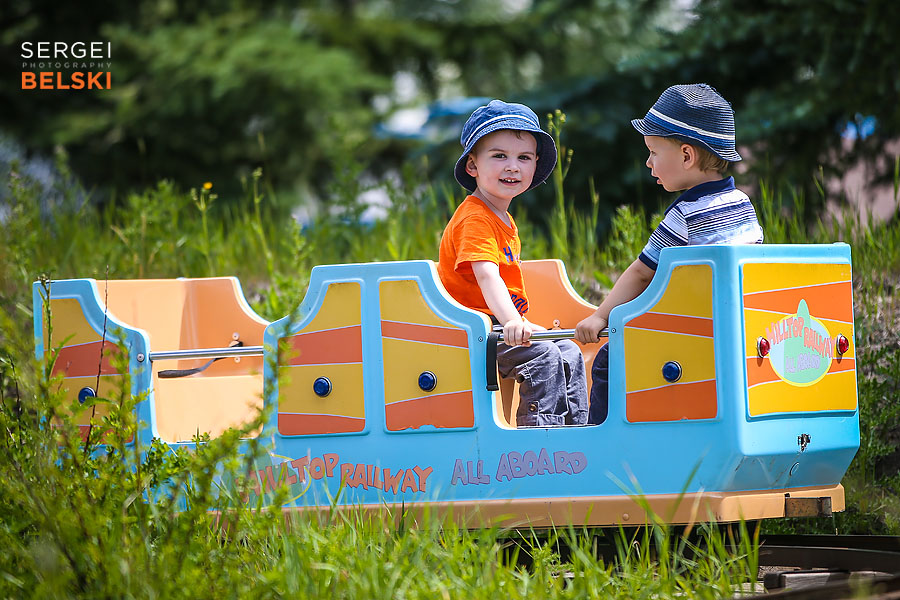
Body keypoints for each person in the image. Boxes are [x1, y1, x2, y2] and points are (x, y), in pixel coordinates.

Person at [575, 83, 764, 424]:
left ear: (687, 156)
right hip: (732, 326)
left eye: (653, 152)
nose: (648, 163)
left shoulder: (687, 212)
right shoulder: (742, 204)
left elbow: (642, 272)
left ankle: (600, 442)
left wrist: (601, 316)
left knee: (609, 360)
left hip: (689, 330)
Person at [437, 99, 588, 426]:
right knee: (544, 355)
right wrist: (512, 323)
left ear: (535, 165)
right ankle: (543, 442)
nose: (512, 166)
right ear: (473, 166)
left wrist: (517, 322)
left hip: (497, 325)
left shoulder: (501, 216)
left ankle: (579, 433)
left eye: (523, 158)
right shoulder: (475, 218)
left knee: (569, 350)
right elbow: (488, 277)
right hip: (472, 330)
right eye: (499, 156)